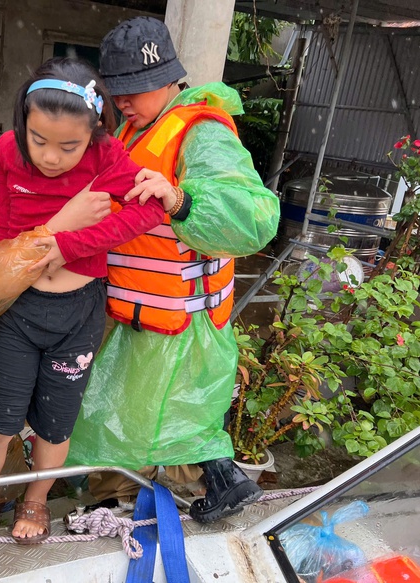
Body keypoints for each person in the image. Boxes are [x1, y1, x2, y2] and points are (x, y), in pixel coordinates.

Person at [66, 16, 281, 523]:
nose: (123, 99)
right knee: (120, 418)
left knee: (176, 422)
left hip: (180, 324)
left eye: (134, 88)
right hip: (135, 313)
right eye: (116, 89)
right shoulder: (136, 127)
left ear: (169, 77)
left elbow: (256, 218)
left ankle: (209, 488)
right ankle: (116, 503)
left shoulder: (201, 133)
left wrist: (182, 201)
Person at [0, 56, 174, 544]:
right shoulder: (8, 151)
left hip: (78, 314)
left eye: (69, 145)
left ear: (94, 132)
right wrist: (38, 242)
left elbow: (148, 213)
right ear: (21, 123)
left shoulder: (106, 159)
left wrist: (68, 247)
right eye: (38, 140)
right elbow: (4, 222)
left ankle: (36, 501)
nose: (50, 157)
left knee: (55, 422)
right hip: (19, 309)